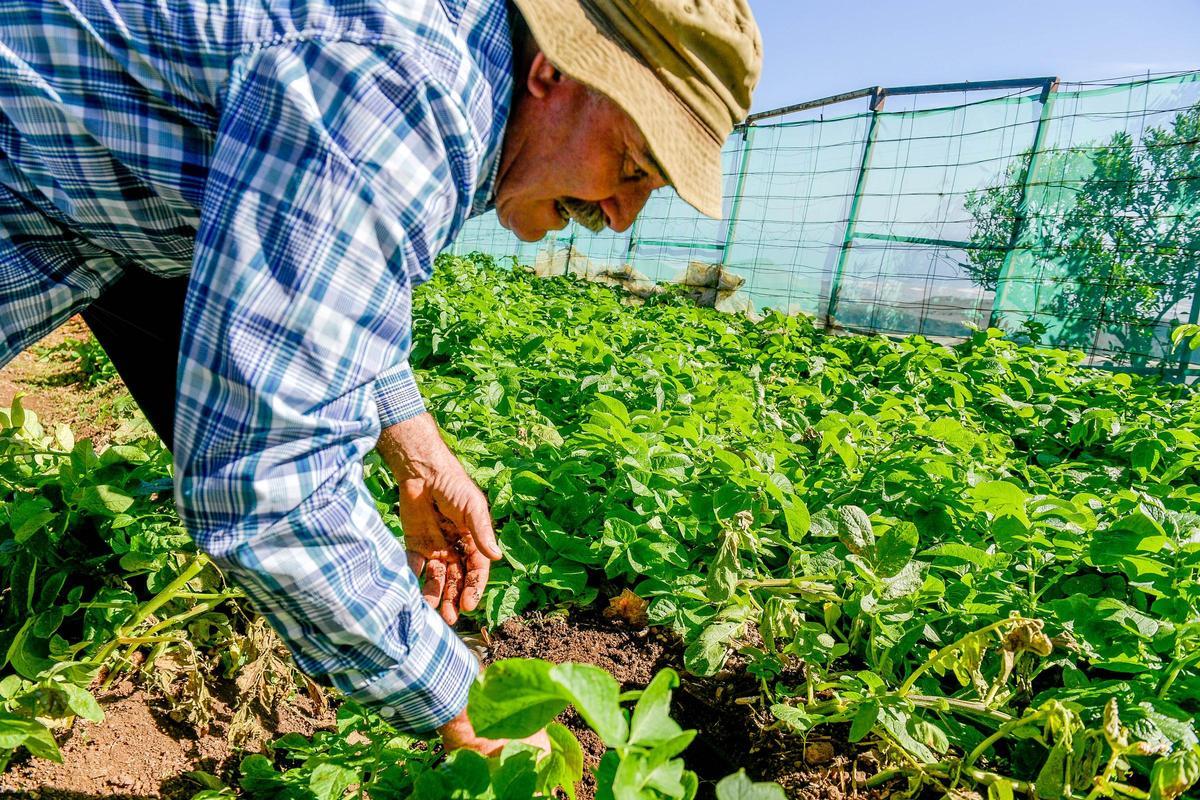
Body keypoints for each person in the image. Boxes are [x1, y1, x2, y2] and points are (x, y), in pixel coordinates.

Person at [0, 0, 760, 753]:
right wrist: (466, 707)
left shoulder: (444, 60)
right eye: (631, 164)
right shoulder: (405, 99)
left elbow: (307, 269)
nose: (622, 216)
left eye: (648, 186)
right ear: (552, 70)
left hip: (56, 189)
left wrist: (417, 450)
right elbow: (266, 481)